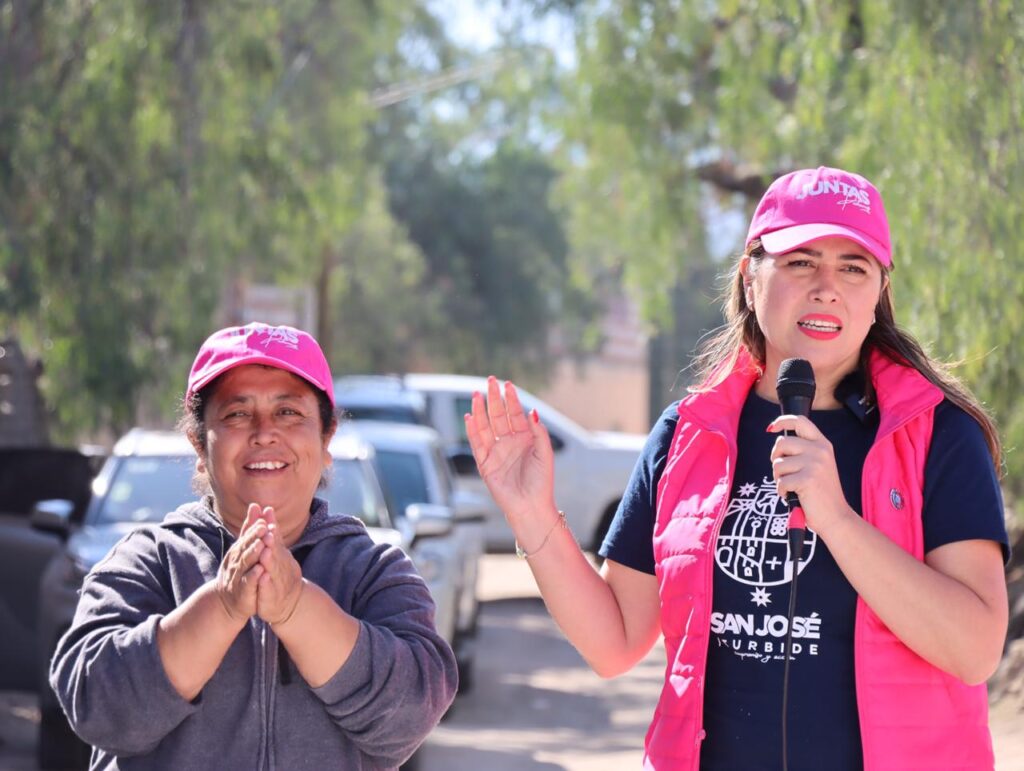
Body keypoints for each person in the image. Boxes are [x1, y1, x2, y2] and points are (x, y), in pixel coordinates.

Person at [466, 167, 1010, 770]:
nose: (827, 287)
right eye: (800, 261)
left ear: (879, 293)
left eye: (853, 268)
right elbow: (614, 641)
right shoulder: (687, 434)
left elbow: (975, 650)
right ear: (751, 278)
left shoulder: (936, 434)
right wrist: (531, 513)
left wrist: (835, 517)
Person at [51, 322, 458, 769]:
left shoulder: (374, 571)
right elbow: (96, 707)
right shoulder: (144, 562)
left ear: (326, 440)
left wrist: (295, 607)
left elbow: (411, 714)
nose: (265, 432)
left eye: (289, 413)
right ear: (199, 445)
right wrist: (223, 607)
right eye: (236, 414)